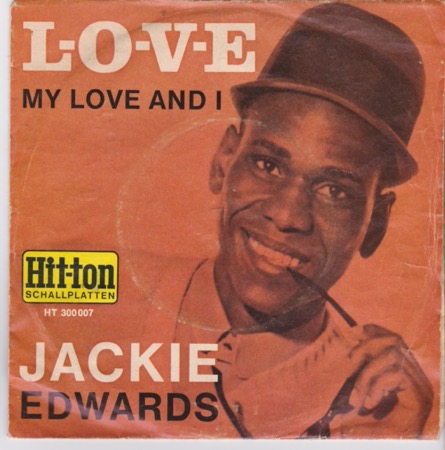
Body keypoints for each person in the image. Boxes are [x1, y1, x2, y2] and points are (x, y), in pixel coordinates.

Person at [139, 2, 433, 438]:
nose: (287, 216)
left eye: (335, 191)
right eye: (268, 165)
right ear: (224, 161)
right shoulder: (113, 300)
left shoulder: (377, 404)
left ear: (376, 223)